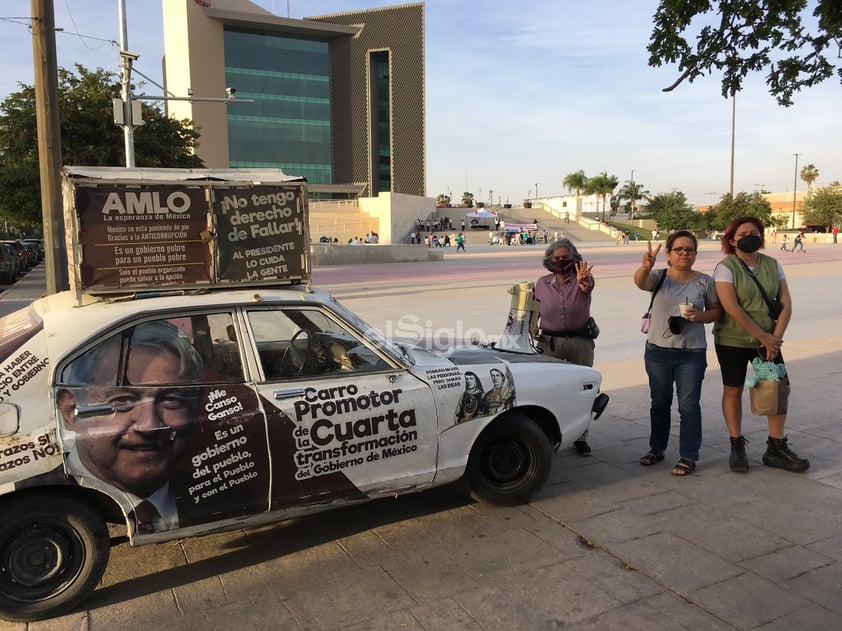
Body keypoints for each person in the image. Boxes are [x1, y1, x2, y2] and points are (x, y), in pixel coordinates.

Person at [58, 321, 205, 533]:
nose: (149, 425)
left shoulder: (229, 493)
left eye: (171, 400)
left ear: (195, 406)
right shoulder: (42, 498)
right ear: (70, 409)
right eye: (122, 401)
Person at [712, 216, 809, 473]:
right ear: (732, 240)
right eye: (743, 233)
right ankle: (737, 444)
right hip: (733, 341)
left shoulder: (772, 265)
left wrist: (773, 338)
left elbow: (786, 303)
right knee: (733, 389)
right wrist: (764, 337)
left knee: (776, 388)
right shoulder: (726, 267)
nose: (750, 236)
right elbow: (731, 308)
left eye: (754, 232)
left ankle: (776, 446)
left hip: (767, 345)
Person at [634, 232, 722, 475]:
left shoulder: (704, 282)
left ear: (695, 254)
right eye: (679, 249)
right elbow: (640, 282)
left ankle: (688, 455)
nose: (685, 253)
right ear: (669, 254)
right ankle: (657, 448)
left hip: (691, 353)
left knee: (689, 406)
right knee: (660, 403)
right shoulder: (658, 276)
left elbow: (716, 311)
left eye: (690, 249)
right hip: (657, 352)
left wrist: (701, 316)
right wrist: (645, 267)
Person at [532, 238, 595, 456]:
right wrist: (530, 327)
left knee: (582, 390)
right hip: (550, 344)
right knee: (549, 390)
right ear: (549, 261)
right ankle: (550, 434)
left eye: (566, 258)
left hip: (579, 342)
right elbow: (534, 309)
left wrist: (585, 282)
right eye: (556, 258)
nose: (561, 262)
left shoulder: (582, 279)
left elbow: (587, 286)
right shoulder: (542, 283)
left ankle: (580, 436)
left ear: (574, 259)